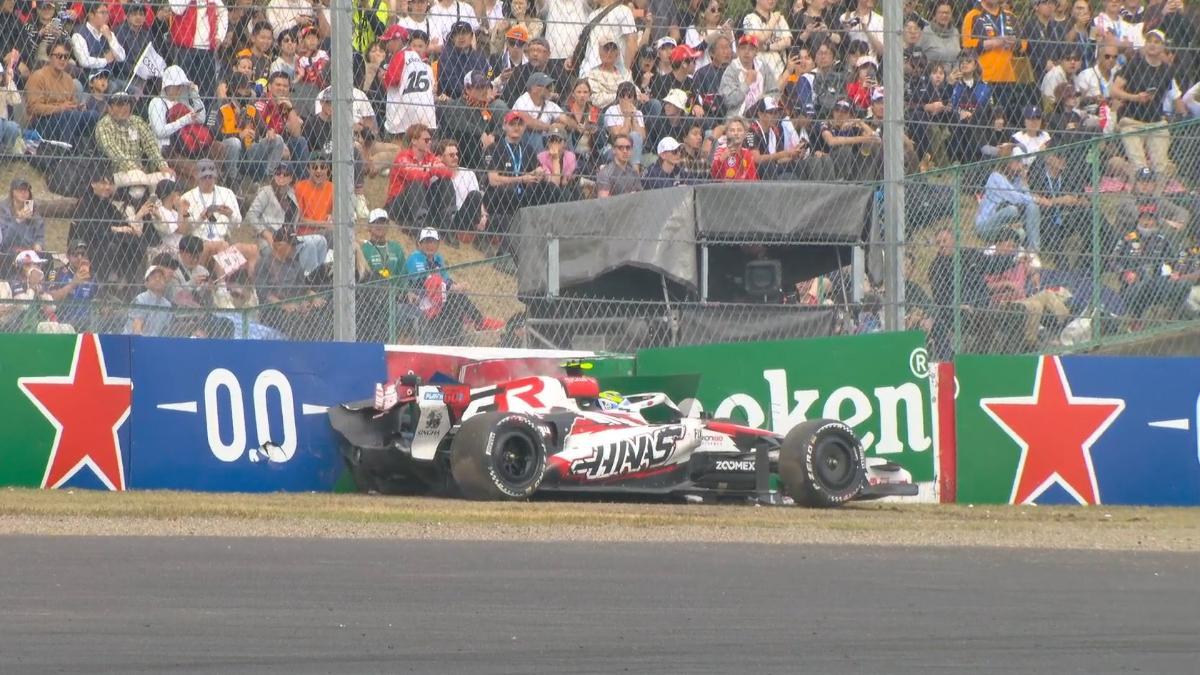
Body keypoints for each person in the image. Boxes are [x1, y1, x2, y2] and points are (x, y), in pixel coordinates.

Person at [404, 227, 504, 334]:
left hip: (437, 301)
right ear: (419, 244)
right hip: (420, 301)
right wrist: (452, 287)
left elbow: (446, 278)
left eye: (433, 242)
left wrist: (454, 286)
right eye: (427, 242)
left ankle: (477, 321)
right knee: (439, 283)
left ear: (438, 244)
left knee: (456, 294)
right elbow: (423, 281)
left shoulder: (437, 258)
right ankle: (479, 321)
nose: (430, 245)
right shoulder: (415, 257)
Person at [1111, 29, 1181, 177]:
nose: (1152, 45)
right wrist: (1135, 97)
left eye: (1156, 42)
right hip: (1132, 120)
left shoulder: (1167, 70)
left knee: (1161, 168)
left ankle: (1157, 188)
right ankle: (1141, 175)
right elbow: (1114, 90)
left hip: (1155, 121)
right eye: (1149, 41)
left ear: (1163, 46)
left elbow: (1174, 96)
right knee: (1140, 167)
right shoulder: (1134, 64)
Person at [961, 0, 1026, 122]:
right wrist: (993, 43)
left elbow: (1024, 44)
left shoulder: (1010, 16)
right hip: (984, 79)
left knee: (1007, 121)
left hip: (1008, 78)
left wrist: (1015, 44)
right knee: (985, 120)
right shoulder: (973, 15)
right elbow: (966, 45)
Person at [26, 39, 100, 146]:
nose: (63, 60)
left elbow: (71, 103)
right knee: (69, 115)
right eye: (59, 56)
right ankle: (63, 151)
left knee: (93, 115)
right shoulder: (38, 77)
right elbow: (34, 107)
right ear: (50, 56)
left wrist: (78, 107)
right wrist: (60, 108)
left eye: (66, 56)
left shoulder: (68, 78)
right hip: (42, 122)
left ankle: (87, 149)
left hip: (66, 118)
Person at [95, 91, 175, 190]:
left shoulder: (136, 121)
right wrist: (135, 168)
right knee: (137, 179)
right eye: (119, 105)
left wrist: (162, 166)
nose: (124, 108)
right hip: (116, 173)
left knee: (168, 176)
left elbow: (151, 145)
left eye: (127, 103)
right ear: (110, 108)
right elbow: (113, 151)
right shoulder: (104, 125)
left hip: (141, 172)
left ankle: (154, 199)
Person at [386, 122, 455, 228]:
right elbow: (414, 177)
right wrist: (431, 170)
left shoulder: (429, 157)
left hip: (420, 201)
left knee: (445, 181)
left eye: (430, 140)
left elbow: (447, 172)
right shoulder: (403, 157)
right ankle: (421, 225)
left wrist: (427, 170)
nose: (430, 142)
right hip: (398, 204)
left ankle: (447, 222)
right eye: (426, 140)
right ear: (414, 141)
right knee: (416, 184)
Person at [438, 70, 508, 171]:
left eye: (485, 86)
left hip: (482, 157)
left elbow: (499, 126)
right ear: (468, 88)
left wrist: (493, 135)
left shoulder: (484, 109)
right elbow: (459, 123)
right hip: (463, 159)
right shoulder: (456, 105)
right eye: (479, 87)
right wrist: (481, 133)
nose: (483, 90)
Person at [976, 147, 1042, 254]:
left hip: (1007, 227)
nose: (1020, 166)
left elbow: (1028, 200)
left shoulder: (1017, 179)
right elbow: (1013, 197)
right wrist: (1036, 198)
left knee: (1033, 207)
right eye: (1017, 162)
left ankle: (1033, 251)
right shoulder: (995, 177)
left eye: (1021, 162)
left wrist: (1024, 184)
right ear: (1007, 161)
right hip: (986, 225)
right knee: (1012, 210)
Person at [381, 26, 438, 136]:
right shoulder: (425, 64)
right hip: (426, 117)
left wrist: (384, 76)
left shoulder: (400, 56)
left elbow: (391, 81)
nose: (386, 45)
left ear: (398, 40)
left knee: (395, 144)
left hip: (402, 119)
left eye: (388, 41)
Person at [167, 0, 228, 100]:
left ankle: (204, 110)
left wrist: (219, 36)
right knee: (184, 87)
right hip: (185, 48)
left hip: (207, 49)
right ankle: (183, 108)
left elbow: (223, 12)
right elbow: (178, 9)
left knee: (206, 92)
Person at [720, 35, 782, 117]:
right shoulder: (731, 70)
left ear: (756, 52)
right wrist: (746, 83)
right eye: (743, 48)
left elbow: (774, 92)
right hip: (738, 117)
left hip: (762, 116)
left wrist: (761, 103)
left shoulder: (763, 67)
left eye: (751, 49)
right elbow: (729, 101)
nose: (746, 52)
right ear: (737, 51)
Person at [439, 140, 488, 243]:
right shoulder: (437, 177)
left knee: (475, 195)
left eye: (456, 154)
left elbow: (477, 199)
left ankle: (476, 235)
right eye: (451, 155)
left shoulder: (468, 173)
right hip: (448, 218)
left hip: (467, 215)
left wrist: (483, 215)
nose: (456, 157)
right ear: (441, 157)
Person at [183, 159, 242, 244]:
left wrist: (230, 214)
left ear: (215, 177)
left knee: (251, 249)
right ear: (196, 176)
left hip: (221, 241)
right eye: (204, 177)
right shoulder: (187, 197)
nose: (208, 180)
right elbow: (185, 230)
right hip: (197, 243)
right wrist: (201, 218)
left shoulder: (227, 193)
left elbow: (238, 224)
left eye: (210, 176)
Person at [71, 1, 127, 88]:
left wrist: (109, 38)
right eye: (102, 13)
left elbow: (121, 57)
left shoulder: (108, 33)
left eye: (107, 13)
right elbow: (84, 61)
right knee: (114, 87)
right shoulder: (79, 33)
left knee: (133, 90)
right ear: (91, 15)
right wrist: (105, 60)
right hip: (89, 79)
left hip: (109, 78)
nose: (106, 16)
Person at [45, 240, 98, 329]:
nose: (79, 257)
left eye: (83, 254)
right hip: (63, 325)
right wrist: (72, 285)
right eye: (75, 254)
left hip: (86, 327)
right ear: (68, 256)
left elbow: (97, 299)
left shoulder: (92, 276)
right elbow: (51, 299)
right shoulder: (56, 272)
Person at [438, 20, 488, 101]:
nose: (461, 37)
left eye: (464, 33)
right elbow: (450, 85)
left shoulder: (479, 56)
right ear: (452, 38)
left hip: (482, 97)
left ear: (471, 36)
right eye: (457, 34)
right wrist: (471, 94)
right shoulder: (446, 57)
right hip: (456, 100)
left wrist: (486, 89)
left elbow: (489, 73)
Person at [602, 81, 646, 169]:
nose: (625, 99)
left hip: (633, 151)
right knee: (632, 136)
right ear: (618, 97)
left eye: (629, 96)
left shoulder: (638, 113)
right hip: (615, 149)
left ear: (634, 99)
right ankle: (635, 170)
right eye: (622, 95)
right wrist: (627, 118)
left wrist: (634, 117)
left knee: (635, 135)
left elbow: (642, 137)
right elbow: (618, 137)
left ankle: (634, 168)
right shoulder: (612, 111)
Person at [0, 179, 47, 255]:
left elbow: (40, 236)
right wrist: (18, 220)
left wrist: (38, 244)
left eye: (26, 190)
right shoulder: (3, 210)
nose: (23, 192)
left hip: (29, 253)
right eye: (20, 190)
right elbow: (4, 242)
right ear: (13, 192)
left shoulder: (33, 210)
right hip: (9, 253)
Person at [124, 265, 173, 336]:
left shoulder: (167, 305)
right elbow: (136, 329)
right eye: (153, 277)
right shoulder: (141, 299)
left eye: (161, 277)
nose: (157, 279)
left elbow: (165, 330)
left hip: (155, 341)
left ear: (165, 282)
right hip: (134, 340)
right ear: (146, 283)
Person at [711, 116, 758, 180]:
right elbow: (713, 175)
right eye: (732, 130)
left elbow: (753, 179)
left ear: (745, 134)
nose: (736, 133)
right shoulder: (721, 150)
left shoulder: (747, 154)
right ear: (727, 133)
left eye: (739, 130)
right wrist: (721, 160)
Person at [596, 132, 641, 197]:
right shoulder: (605, 173)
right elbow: (603, 200)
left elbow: (640, 197)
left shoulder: (633, 172)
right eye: (621, 148)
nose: (625, 151)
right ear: (614, 150)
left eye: (628, 147)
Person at [920, 1, 961, 67]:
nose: (944, 15)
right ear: (934, 15)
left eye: (947, 13)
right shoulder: (926, 32)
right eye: (940, 12)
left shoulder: (955, 32)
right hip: (932, 72)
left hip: (955, 72)